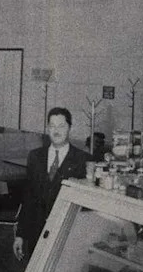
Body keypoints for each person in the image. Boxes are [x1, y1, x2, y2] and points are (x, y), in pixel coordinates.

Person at [13, 107, 90, 261]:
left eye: (61, 126)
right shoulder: (35, 156)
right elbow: (29, 197)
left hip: (67, 236)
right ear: (47, 128)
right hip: (37, 233)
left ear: (70, 128)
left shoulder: (83, 160)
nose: (56, 131)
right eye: (52, 126)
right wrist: (20, 235)